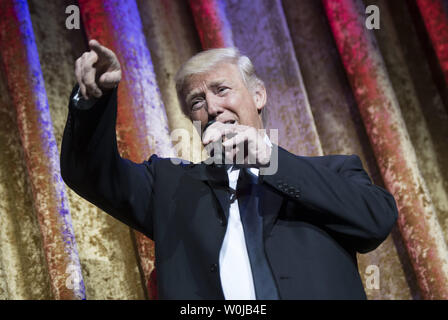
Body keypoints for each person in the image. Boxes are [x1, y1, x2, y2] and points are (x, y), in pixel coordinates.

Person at [61, 39, 398, 300]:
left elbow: (376, 221)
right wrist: (94, 101)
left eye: (221, 90)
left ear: (258, 95)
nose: (211, 108)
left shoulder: (334, 172)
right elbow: (88, 172)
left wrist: (268, 158)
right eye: (196, 102)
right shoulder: (168, 186)